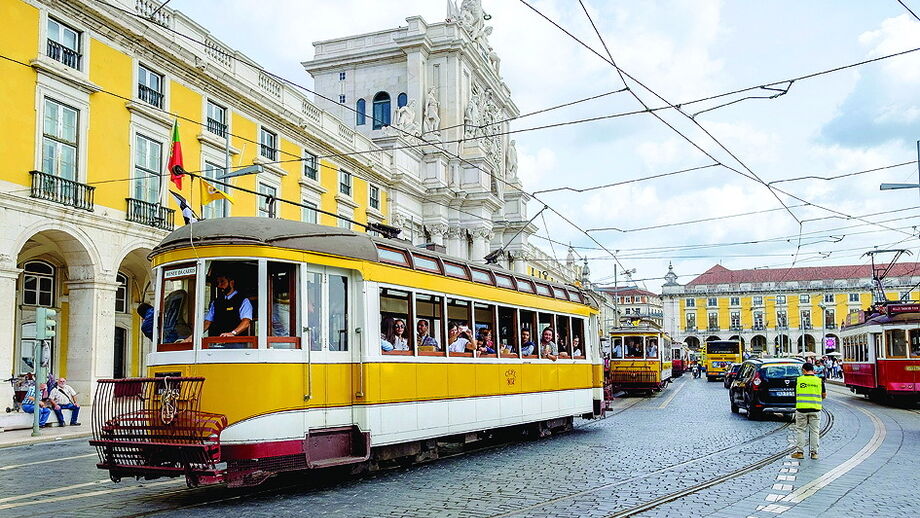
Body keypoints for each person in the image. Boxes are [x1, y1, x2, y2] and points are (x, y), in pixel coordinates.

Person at [792, 362, 826, 460]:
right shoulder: (819, 381)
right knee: (815, 431)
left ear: (804, 370)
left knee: (800, 430)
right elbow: (824, 395)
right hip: (815, 409)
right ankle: (814, 453)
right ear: (813, 370)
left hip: (801, 409)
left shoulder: (798, 380)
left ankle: (800, 453)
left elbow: (796, 394)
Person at [202, 272, 252, 339]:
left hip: (236, 343)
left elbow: (246, 322)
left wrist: (232, 333)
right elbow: (207, 322)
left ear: (231, 283)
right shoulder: (216, 302)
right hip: (216, 342)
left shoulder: (243, 301)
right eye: (218, 283)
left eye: (222, 282)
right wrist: (193, 337)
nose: (219, 286)